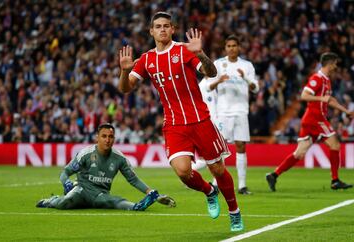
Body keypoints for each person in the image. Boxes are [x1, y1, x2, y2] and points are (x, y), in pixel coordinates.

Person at [118, 12, 243, 232]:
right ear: (151, 31)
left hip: (201, 120)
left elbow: (210, 72)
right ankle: (209, 192)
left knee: (218, 169)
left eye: (166, 26)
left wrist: (202, 54)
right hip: (174, 124)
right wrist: (124, 71)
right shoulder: (147, 59)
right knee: (183, 172)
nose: (162, 29)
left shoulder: (184, 50)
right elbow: (125, 88)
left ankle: (234, 213)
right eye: (158, 26)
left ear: (173, 29)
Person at [266, 52, 354, 192]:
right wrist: (321, 99)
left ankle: (274, 175)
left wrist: (345, 110)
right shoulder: (316, 78)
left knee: (299, 153)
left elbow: (329, 100)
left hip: (312, 120)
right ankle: (335, 180)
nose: (336, 66)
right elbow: (304, 95)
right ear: (329, 64)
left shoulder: (327, 80)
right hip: (315, 118)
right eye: (335, 63)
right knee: (335, 144)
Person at [36, 123, 176, 210]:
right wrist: (65, 181)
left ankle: (136, 206)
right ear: (97, 137)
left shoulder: (119, 158)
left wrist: (153, 194)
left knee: (113, 202)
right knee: (64, 204)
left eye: (110, 136)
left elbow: (133, 179)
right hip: (81, 190)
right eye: (104, 136)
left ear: (114, 138)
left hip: (100, 194)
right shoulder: (86, 153)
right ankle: (52, 201)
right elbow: (65, 172)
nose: (107, 140)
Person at [204, 35, 259, 195]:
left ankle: (242, 185)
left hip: (241, 111)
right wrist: (218, 81)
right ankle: (216, 183)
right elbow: (208, 87)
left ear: (239, 47)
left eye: (234, 45)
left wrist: (246, 78)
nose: (232, 48)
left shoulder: (246, 65)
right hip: (223, 111)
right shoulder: (218, 64)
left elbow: (255, 88)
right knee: (221, 149)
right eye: (229, 46)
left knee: (241, 146)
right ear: (225, 48)